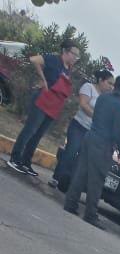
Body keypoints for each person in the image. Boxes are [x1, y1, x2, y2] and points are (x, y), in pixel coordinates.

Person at [63, 75, 120, 228]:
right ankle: (90, 214)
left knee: (81, 173)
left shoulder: (103, 98)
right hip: (102, 144)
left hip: (90, 137)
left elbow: (96, 118)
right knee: (97, 179)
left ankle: (70, 203)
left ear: (115, 85)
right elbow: (116, 132)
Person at [7, 40, 80, 177]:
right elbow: (34, 59)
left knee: (38, 135)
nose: (75, 58)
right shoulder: (53, 59)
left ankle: (25, 161)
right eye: (74, 54)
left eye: (77, 56)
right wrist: (43, 78)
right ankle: (15, 158)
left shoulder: (68, 68)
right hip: (42, 100)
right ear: (65, 51)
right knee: (30, 130)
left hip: (53, 106)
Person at [51, 68, 114, 189]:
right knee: (71, 152)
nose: (111, 87)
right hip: (79, 126)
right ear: (101, 80)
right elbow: (84, 104)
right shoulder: (88, 87)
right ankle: (56, 177)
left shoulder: (106, 97)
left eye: (112, 85)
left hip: (92, 132)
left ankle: (67, 183)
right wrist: (98, 117)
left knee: (81, 159)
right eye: (109, 83)